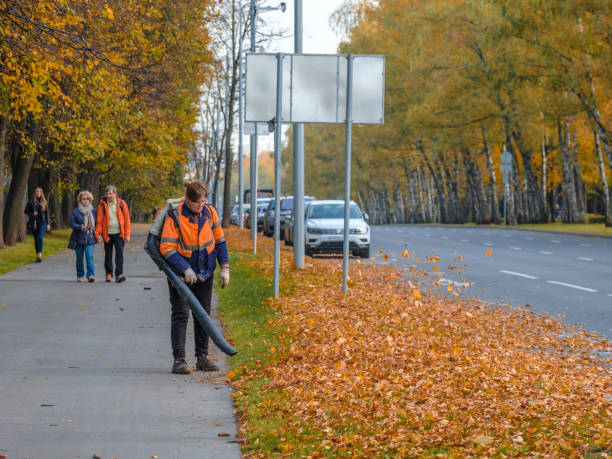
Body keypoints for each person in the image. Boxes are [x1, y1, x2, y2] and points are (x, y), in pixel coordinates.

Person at [159, 181, 230, 374]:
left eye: (204, 201)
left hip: (205, 271)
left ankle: (202, 358)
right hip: (181, 275)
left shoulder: (210, 212)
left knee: (203, 315)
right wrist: (185, 269)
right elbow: (166, 247)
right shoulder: (175, 216)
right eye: (198, 202)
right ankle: (179, 360)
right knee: (181, 313)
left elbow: (220, 241)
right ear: (188, 200)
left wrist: (225, 267)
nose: (201, 205)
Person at [95, 185, 131, 283]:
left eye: (110, 193)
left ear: (115, 193)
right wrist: (98, 235)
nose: (108, 195)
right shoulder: (102, 205)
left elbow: (127, 220)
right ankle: (108, 274)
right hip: (107, 234)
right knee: (108, 255)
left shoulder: (122, 204)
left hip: (119, 233)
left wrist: (127, 234)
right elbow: (99, 222)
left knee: (119, 254)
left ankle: (119, 274)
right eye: (107, 193)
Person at [69, 191, 98, 282]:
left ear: (90, 200)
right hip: (78, 238)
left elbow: (97, 224)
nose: (85, 201)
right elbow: (71, 223)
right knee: (79, 258)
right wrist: (80, 226)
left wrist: (98, 233)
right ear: (80, 200)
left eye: (87, 199)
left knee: (89, 256)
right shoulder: (76, 211)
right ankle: (80, 275)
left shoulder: (93, 212)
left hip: (90, 238)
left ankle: (90, 275)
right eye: (83, 199)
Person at [24, 187, 51, 263]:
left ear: (41, 193)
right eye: (37, 191)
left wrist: (48, 223)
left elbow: (47, 214)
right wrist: (32, 214)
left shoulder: (44, 202)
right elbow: (25, 211)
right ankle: (38, 256)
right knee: (36, 240)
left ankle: (39, 256)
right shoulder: (31, 202)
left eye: (39, 191)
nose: (38, 193)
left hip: (42, 223)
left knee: (40, 238)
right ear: (35, 193)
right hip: (34, 223)